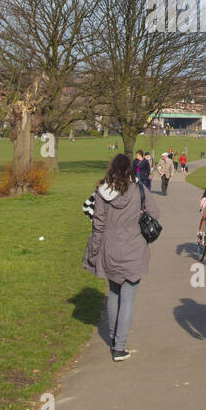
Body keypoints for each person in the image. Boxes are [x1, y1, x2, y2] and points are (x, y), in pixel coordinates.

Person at [82, 153, 159, 361]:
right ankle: (119, 346)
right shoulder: (139, 189)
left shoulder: (102, 192)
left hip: (110, 248)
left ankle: (114, 337)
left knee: (114, 293)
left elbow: (97, 224)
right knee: (128, 297)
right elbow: (155, 212)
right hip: (133, 249)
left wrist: (93, 251)